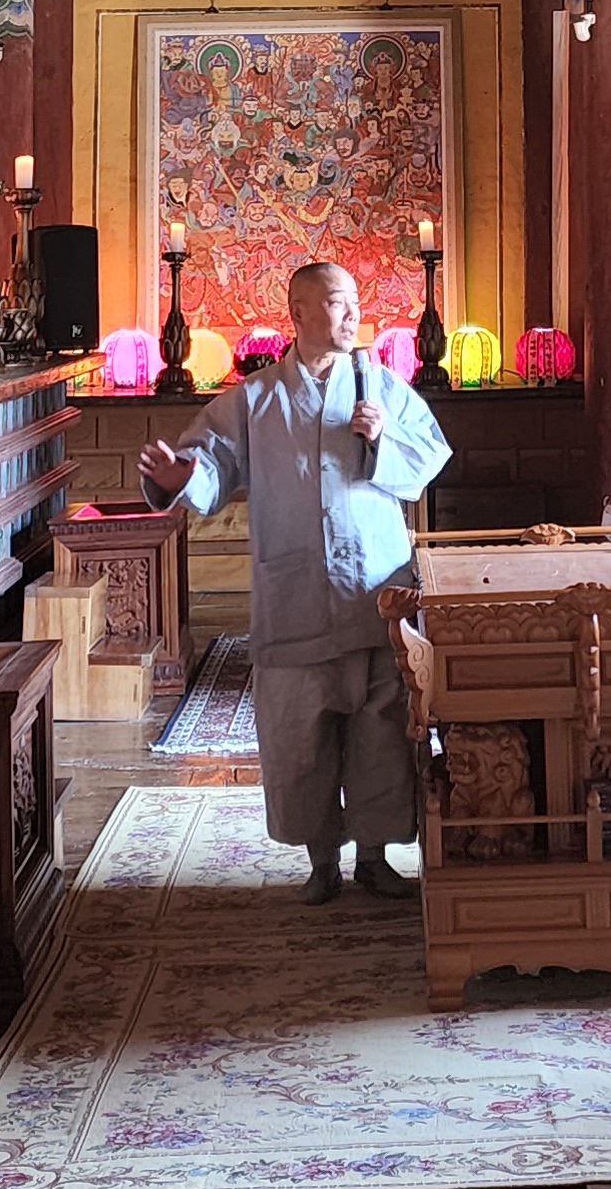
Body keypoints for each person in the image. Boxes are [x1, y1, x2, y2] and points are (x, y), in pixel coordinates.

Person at [138, 260, 453, 904]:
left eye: (355, 301)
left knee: (379, 731)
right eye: (336, 302)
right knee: (299, 736)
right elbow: (211, 462)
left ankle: (374, 857)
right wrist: (181, 477)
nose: (351, 314)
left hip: (374, 590)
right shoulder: (255, 399)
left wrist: (383, 438)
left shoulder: (381, 385)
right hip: (295, 593)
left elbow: (429, 456)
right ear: (299, 312)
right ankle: (321, 861)